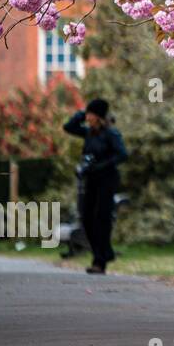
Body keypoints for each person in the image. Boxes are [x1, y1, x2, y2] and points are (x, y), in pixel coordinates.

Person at [63, 99, 128, 274]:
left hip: (107, 179)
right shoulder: (88, 133)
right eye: (88, 114)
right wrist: (81, 114)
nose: (88, 117)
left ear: (99, 117)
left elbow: (122, 154)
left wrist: (102, 165)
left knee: (102, 219)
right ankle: (105, 253)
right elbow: (68, 127)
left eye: (91, 114)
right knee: (87, 218)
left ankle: (100, 261)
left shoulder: (111, 134)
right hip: (90, 180)